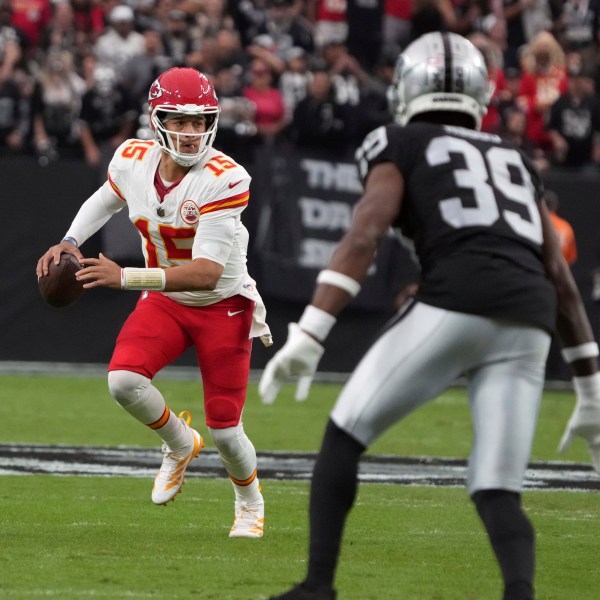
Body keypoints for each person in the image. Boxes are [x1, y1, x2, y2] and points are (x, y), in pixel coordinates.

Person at [259, 32, 600, 600]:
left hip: (457, 297)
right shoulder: (513, 157)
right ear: (479, 92)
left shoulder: (398, 141)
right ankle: (520, 593)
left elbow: (365, 234)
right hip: (531, 318)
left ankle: (318, 587)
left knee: (343, 437)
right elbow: (562, 280)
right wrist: (591, 393)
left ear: (407, 89)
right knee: (497, 489)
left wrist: (312, 333)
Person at [36, 67, 272, 539]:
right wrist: (68, 240)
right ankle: (179, 443)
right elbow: (105, 200)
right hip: (167, 300)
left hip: (222, 304)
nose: (191, 133)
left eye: (200, 121)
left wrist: (126, 276)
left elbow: (206, 275)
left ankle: (249, 502)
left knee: (226, 431)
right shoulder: (133, 159)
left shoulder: (225, 178)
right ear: (156, 119)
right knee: (123, 381)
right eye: (179, 121)